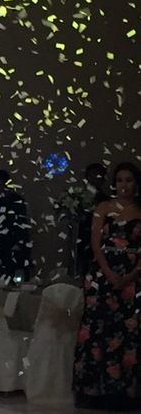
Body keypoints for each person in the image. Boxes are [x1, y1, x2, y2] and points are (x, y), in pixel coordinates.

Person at [73, 162, 141, 411]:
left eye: (129, 180)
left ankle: (124, 392)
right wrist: (109, 273)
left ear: (136, 183)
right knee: (98, 327)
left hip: (132, 277)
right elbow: (95, 243)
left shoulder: (139, 210)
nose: (124, 185)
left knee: (128, 329)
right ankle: (94, 391)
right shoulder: (104, 207)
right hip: (102, 275)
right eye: (120, 180)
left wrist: (131, 274)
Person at [55, 163, 110, 276]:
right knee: (80, 262)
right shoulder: (78, 194)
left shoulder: (106, 200)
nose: (95, 177)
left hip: (100, 236)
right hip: (80, 234)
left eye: (98, 175)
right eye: (92, 174)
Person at [0, 169, 31, 281]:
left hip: (15, 247)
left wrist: (19, 243)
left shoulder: (18, 202)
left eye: (1, 182)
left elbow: (24, 223)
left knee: (16, 278)